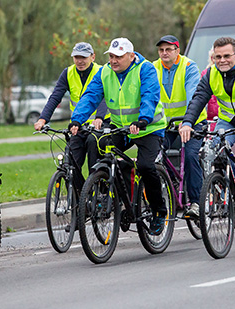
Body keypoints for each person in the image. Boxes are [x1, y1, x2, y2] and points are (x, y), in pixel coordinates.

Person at [69, 37, 168, 235]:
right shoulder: (105, 72)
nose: (114, 60)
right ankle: (112, 199)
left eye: (119, 57)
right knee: (96, 143)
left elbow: (150, 95)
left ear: (131, 56)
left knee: (146, 166)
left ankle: (159, 211)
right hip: (120, 128)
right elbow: (90, 96)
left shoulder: (145, 69)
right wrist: (77, 120)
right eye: (111, 56)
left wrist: (143, 119)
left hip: (148, 127)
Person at [179, 37, 235, 237]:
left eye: (227, 56)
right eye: (218, 56)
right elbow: (199, 98)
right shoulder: (211, 73)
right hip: (227, 121)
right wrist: (187, 123)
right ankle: (222, 192)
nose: (222, 60)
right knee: (210, 152)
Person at [152, 35, 206, 218]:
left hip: (192, 121)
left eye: (168, 49)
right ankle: (169, 186)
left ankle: (197, 202)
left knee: (190, 155)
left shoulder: (189, 67)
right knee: (154, 156)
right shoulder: (153, 67)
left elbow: (193, 94)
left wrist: (188, 120)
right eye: (161, 50)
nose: (164, 53)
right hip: (165, 123)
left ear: (177, 51)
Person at [34, 42, 108, 173]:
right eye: (76, 57)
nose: (80, 61)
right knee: (70, 165)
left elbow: (105, 97)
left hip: (100, 125)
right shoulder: (68, 73)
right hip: (77, 126)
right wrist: (43, 119)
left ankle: (96, 188)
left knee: (94, 155)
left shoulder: (102, 71)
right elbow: (55, 97)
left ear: (93, 57)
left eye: (84, 57)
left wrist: (99, 117)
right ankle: (80, 192)